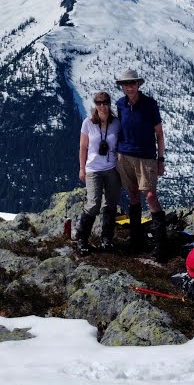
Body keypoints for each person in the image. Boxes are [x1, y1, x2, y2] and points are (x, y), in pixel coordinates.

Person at [113, 68, 167, 260]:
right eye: (126, 84)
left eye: (132, 83)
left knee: (151, 196)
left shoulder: (150, 105)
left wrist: (160, 159)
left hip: (146, 157)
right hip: (124, 155)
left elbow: (159, 134)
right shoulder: (120, 105)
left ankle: (161, 245)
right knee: (134, 194)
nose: (129, 87)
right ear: (122, 87)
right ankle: (136, 241)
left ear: (138, 85)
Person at [76, 91, 120, 253]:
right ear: (95, 105)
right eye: (98, 103)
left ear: (109, 104)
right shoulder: (88, 123)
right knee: (94, 204)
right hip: (93, 169)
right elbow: (83, 147)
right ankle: (81, 238)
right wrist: (82, 168)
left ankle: (107, 239)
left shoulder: (116, 123)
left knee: (110, 204)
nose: (102, 106)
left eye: (105, 102)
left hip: (111, 168)